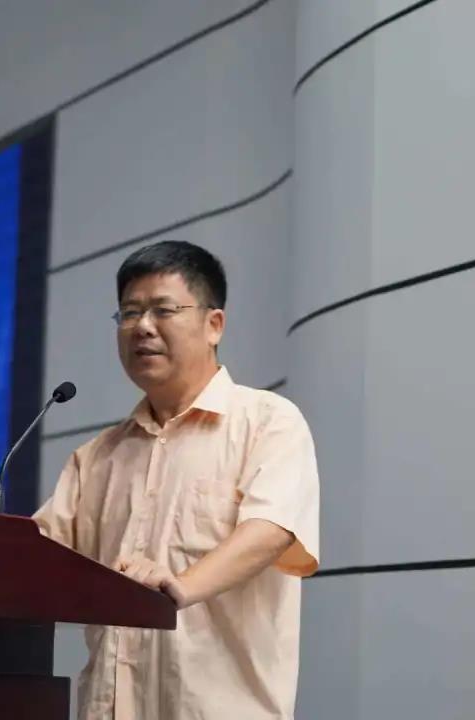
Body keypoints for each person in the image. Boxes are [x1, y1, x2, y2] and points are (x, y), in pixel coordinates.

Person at [33, 240, 320, 719]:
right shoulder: (97, 456)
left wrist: (180, 587)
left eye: (163, 310)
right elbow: (38, 559)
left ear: (214, 325)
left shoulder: (268, 421)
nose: (143, 326)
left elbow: (272, 530)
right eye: (129, 313)